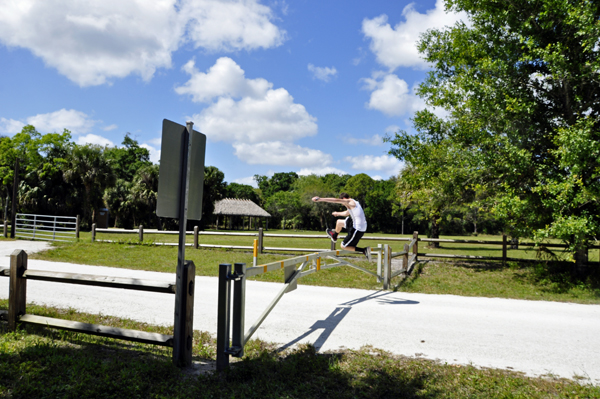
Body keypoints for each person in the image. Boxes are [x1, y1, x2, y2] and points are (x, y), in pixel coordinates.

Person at [311, 193, 371, 261]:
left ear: (344, 199)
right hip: (356, 223)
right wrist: (337, 213)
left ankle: (364, 250)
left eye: (342, 202)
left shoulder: (349, 202)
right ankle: (334, 236)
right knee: (339, 222)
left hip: (358, 229)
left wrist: (320, 199)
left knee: (343, 246)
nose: (343, 204)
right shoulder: (354, 203)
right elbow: (346, 213)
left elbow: (335, 200)